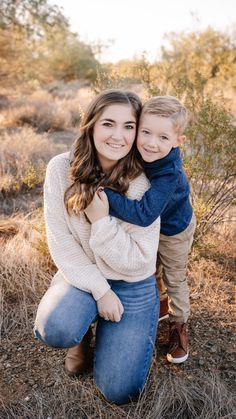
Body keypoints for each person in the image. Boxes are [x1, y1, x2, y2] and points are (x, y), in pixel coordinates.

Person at [34, 89, 161, 405]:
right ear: (90, 125)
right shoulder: (60, 168)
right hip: (85, 273)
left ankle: (115, 331)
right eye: (108, 124)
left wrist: (102, 223)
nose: (118, 136)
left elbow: (139, 260)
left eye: (129, 126)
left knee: (119, 391)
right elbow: (61, 241)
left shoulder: (143, 182)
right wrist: (100, 290)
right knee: (56, 328)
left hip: (133, 284)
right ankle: (82, 334)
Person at [104, 96, 196, 364]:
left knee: (174, 276)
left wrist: (106, 196)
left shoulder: (170, 172)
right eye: (145, 132)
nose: (151, 143)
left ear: (179, 140)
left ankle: (179, 326)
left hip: (173, 228)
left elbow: (144, 214)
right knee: (150, 268)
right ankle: (161, 306)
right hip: (152, 229)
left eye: (163, 137)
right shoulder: (136, 150)